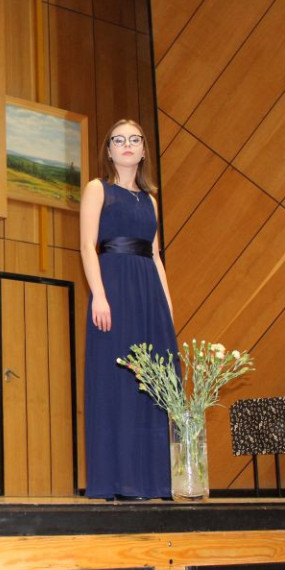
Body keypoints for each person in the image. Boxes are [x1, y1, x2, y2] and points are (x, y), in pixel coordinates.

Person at [79, 119, 176, 500]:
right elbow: (88, 246)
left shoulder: (151, 200)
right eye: (119, 140)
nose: (127, 145)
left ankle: (153, 480)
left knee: (152, 387)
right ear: (109, 149)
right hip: (113, 289)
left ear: (143, 150)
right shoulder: (97, 189)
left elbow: (154, 255)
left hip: (148, 294)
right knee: (115, 384)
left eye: (135, 140)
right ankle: (118, 481)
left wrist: (167, 307)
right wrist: (99, 295)